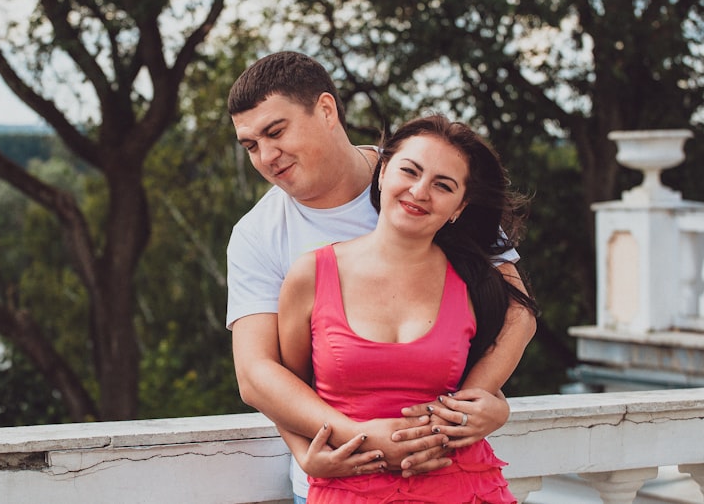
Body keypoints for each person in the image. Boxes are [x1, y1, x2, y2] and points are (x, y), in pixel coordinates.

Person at [226, 51, 537, 502]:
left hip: (453, 472)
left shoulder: (421, 177)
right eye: (251, 145)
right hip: (344, 476)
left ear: (327, 110)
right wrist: (330, 441)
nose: (267, 156)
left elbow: (518, 312)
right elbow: (259, 374)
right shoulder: (258, 235)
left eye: (276, 132)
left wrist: (474, 405)